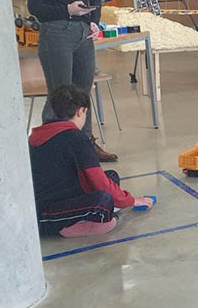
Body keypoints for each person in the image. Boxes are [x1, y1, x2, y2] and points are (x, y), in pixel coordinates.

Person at [27, 0, 117, 162]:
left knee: (82, 93)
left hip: (83, 34)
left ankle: (84, 146)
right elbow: (35, 6)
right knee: (61, 95)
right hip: (56, 33)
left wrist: (93, 21)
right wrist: (66, 9)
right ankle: (52, 151)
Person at [29, 85, 154, 238]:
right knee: (103, 200)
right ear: (81, 111)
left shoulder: (35, 135)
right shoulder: (77, 139)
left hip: (40, 203)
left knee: (112, 177)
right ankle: (65, 226)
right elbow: (99, 182)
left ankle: (82, 217)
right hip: (47, 214)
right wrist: (132, 201)